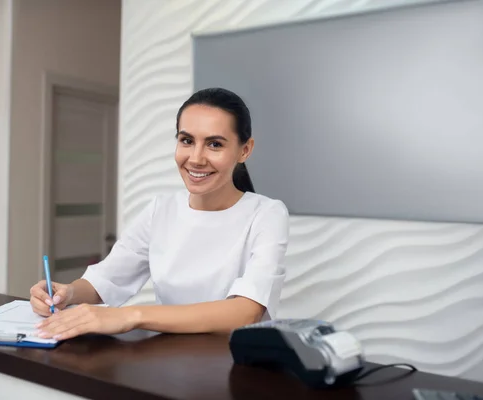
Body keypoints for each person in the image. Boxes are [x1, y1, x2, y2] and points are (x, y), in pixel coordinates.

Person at [30, 87, 289, 341]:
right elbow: (108, 278)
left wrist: (132, 316)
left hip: (238, 365)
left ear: (245, 150)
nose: (196, 158)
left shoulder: (267, 214)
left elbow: (245, 312)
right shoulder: (160, 210)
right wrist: (68, 293)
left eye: (214, 144)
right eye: (186, 141)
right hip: (168, 363)